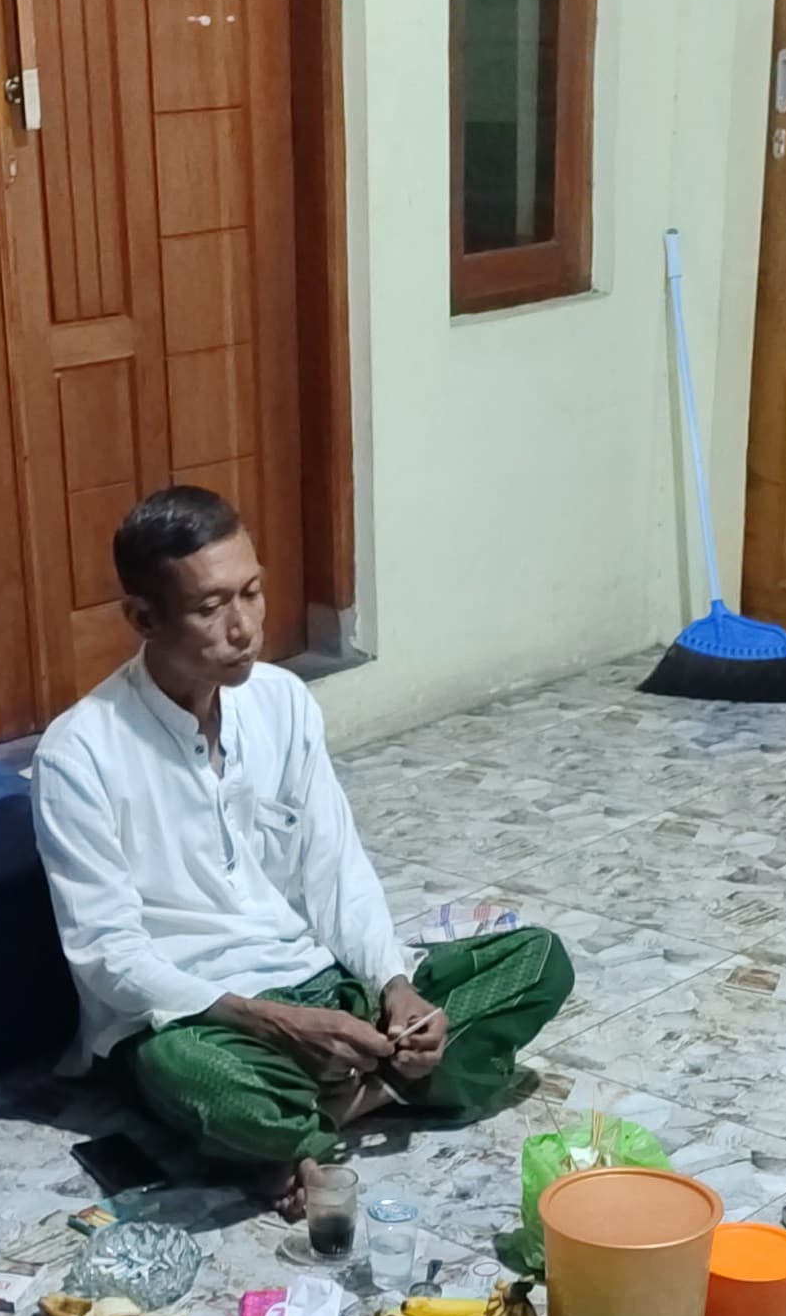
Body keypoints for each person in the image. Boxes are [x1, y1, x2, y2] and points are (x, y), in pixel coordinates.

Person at [34, 485, 575, 1215]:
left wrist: (393, 985)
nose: (243, 628)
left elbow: (335, 869)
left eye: (252, 593)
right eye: (209, 607)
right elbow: (108, 957)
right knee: (199, 1080)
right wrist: (273, 1021)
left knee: (538, 959)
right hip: (205, 1021)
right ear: (143, 618)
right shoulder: (80, 752)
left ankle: (314, 1124)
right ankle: (351, 1101)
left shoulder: (281, 701)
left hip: (325, 990)